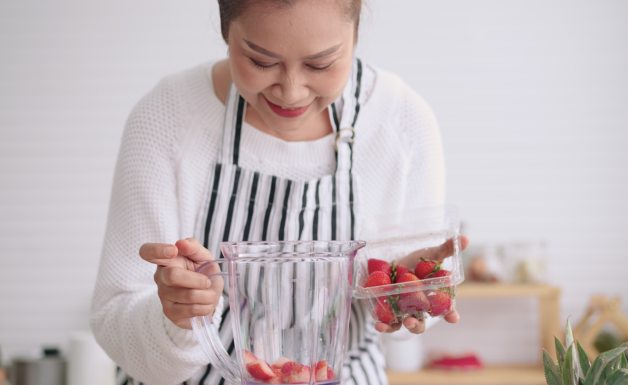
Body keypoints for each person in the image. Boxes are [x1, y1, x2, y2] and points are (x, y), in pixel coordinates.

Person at [91, 0, 466, 384]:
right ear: (226, 32)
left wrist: (407, 295)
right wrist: (178, 318)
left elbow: (402, 329)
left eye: (320, 64)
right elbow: (115, 315)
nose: (291, 92)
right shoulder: (168, 116)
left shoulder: (401, 123)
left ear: (356, 34)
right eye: (261, 61)